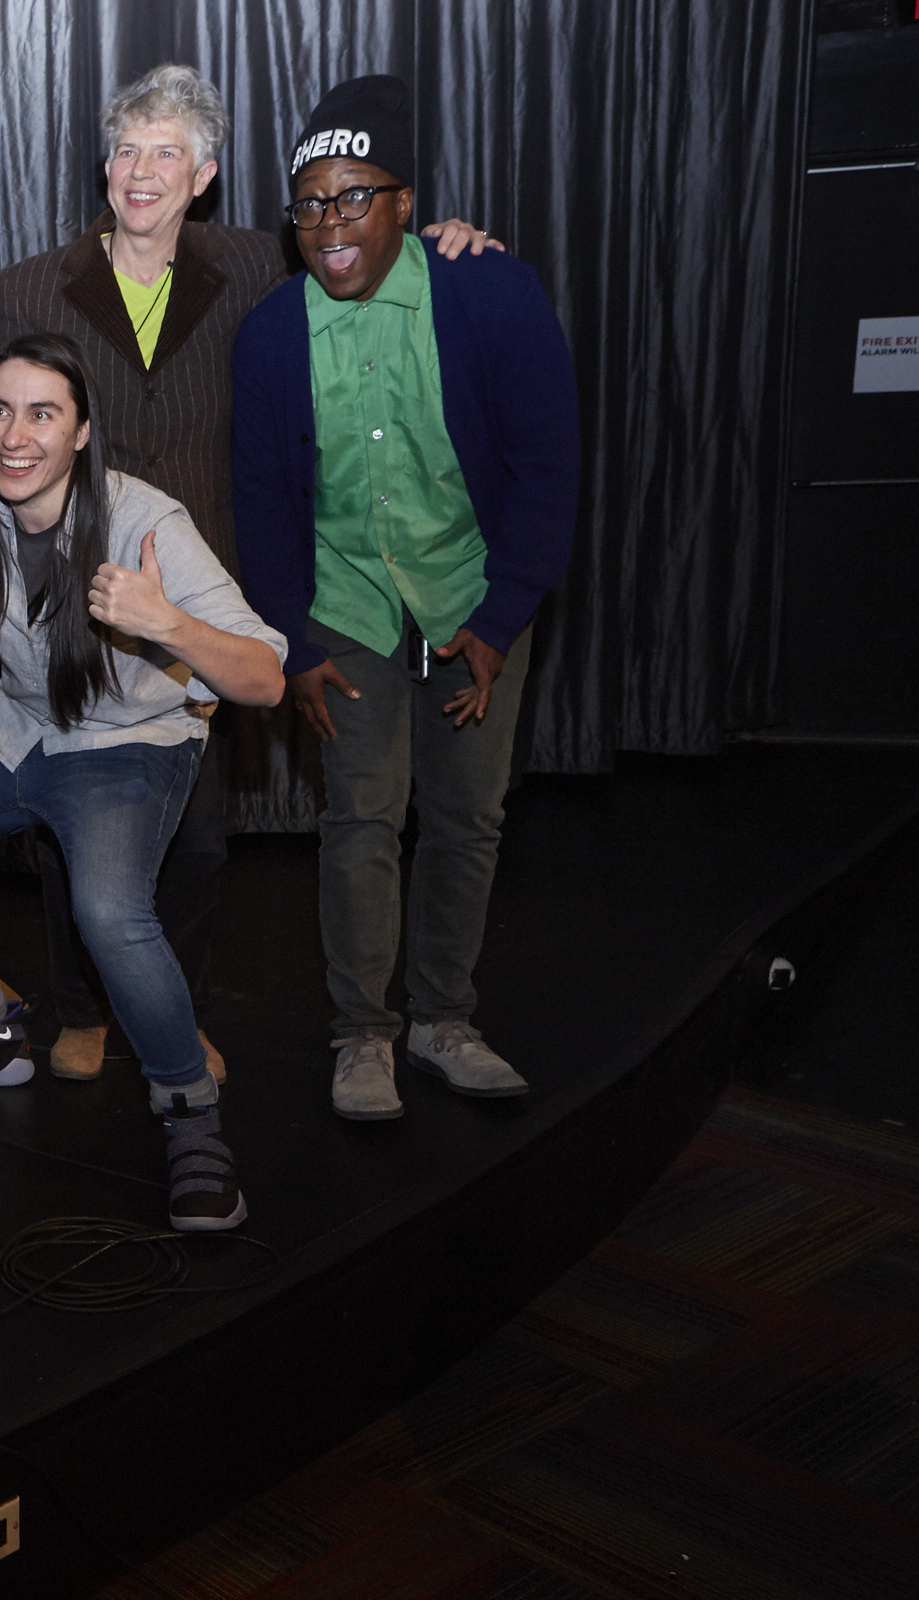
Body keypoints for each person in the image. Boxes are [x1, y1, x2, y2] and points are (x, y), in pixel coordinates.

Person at [0, 63, 498, 1085]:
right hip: (72, 582)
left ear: (204, 175)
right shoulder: (27, 286)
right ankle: (78, 1005)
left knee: (198, 837)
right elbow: (8, 425)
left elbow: (364, 256)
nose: (142, 170)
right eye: (128, 147)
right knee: (66, 821)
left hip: (200, 592)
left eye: (167, 152)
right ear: (106, 163)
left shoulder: (264, 263)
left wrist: (456, 244)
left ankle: (176, 1008)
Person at [0, 334, 285, 1232]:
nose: (16, 435)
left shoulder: (147, 522)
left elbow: (263, 679)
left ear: (83, 432)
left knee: (109, 915)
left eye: (43, 414)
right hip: (16, 727)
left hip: (128, 742)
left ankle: (189, 1111)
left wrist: (167, 621)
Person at [231, 75, 580, 1120]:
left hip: (474, 592)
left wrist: (498, 618)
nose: (330, 225)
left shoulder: (493, 294)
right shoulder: (270, 335)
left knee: (470, 818)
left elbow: (547, 467)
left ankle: (444, 1019)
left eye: (353, 198)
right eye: (309, 205)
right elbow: (262, 502)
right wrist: (293, 642)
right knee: (362, 819)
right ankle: (364, 1034)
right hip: (348, 603)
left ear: (404, 203)